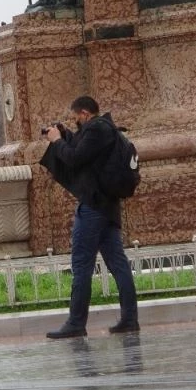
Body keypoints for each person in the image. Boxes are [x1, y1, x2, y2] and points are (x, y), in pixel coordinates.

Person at [40, 96, 139, 339]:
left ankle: (76, 322)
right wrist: (64, 135)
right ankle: (129, 320)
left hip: (94, 206)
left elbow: (73, 159)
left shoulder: (97, 128)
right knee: (118, 263)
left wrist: (55, 142)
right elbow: (84, 152)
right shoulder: (106, 130)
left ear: (84, 113)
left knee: (82, 264)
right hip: (108, 207)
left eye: (76, 119)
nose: (76, 124)